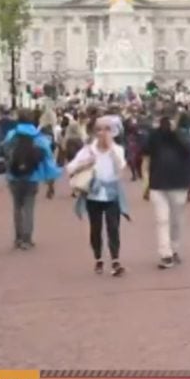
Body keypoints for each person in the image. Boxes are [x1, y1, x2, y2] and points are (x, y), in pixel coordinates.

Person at [67, 117, 130, 277]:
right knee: (95, 228)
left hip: (112, 193)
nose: (103, 133)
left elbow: (120, 169)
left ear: (113, 132)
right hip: (93, 194)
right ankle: (98, 258)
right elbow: (70, 168)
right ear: (95, 132)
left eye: (107, 129)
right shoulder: (88, 150)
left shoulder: (118, 150)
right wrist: (85, 164)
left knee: (113, 227)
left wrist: (111, 150)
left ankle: (115, 260)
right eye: (100, 129)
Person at [3, 110, 61, 250]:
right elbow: (48, 156)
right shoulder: (38, 136)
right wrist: (50, 178)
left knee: (17, 206)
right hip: (32, 176)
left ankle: (18, 238)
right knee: (29, 207)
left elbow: (5, 151)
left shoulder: (11, 135)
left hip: (14, 176)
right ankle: (27, 239)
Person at [144, 112, 190, 269]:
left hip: (179, 183)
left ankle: (174, 248)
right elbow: (146, 157)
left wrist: (175, 133)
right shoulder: (153, 136)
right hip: (158, 184)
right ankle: (165, 253)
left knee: (176, 220)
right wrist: (146, 182)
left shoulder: (185, 135)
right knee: (162, 220)